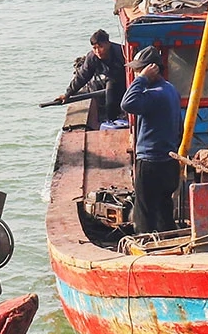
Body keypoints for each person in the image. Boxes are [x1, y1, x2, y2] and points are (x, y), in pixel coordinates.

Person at [119, 46, 183, 234]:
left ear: (152, 69)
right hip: (169, 161)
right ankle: (168, 242)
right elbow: (180, 127)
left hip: (151, 163)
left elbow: (127, 103)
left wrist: (141, 79)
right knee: (164, 209)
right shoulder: (171, 90)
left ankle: (145, 248)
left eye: (139, 69)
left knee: (144, 213)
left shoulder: (154, 94)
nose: (136, 73)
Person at [60, 30, 125, 122]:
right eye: (94, 48)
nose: (97, 51)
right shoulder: (92, 57)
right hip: (112, 79)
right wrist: (67, 94)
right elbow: (82, 76)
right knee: (110, 104)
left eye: (101, 47)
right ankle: (113, 122)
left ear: (108, 44)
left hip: (127, 77)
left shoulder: (121, 53)